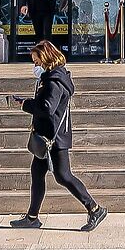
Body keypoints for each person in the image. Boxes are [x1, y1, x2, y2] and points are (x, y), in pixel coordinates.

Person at [14, 38, 107, 231]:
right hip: (47, 135)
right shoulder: (51, 78)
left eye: (37, 61)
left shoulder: (54, 81)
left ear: (46, 58)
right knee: (37, 173)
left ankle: (94, 208)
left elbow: (47, 108)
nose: (35, 65)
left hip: (54, 138)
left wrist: (25, 104)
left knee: (63, 175)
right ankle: (32, 217)